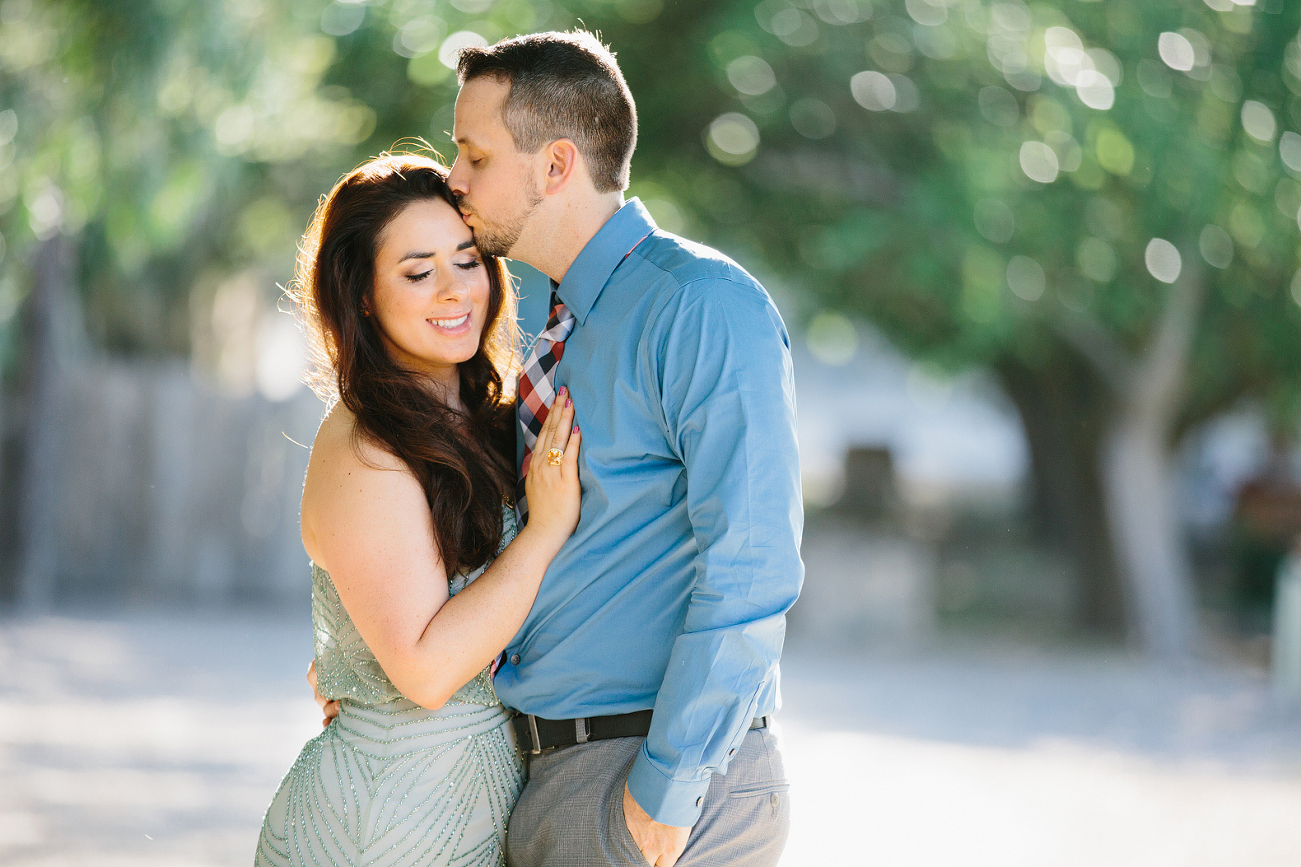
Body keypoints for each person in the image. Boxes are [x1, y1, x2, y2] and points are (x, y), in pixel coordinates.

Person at [447, 30, 803, 867]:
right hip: (548, 772)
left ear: (555, 165)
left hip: (650, 784)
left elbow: (750, 561)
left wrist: (665, 791)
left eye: (473, 155)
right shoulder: (550, 322)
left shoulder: (702, 308)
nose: (453, 179)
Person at [254, 153, 583, 867]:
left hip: (469, 813)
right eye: (416, 271)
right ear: (362, 294)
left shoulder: (482, 416)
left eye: (466, 260)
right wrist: (546, 529)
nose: (453, 289)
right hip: (379, 825)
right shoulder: (365, 442)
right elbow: (428, 672)